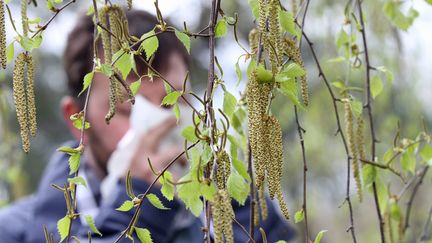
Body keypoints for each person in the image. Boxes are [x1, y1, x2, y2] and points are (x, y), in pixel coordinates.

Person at [0, 8, 296, 243]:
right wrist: (142, 205)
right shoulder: (13, 232)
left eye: (173, 103)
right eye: (129, 110)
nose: (160, 126)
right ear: (77, 120)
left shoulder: (243, 218)